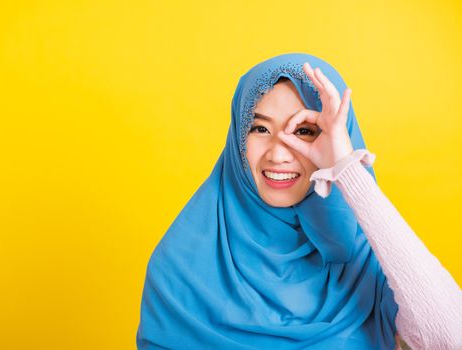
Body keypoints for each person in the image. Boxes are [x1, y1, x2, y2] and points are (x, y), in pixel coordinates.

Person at [136, 53, 462, 349]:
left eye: (304, 131)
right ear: (238, 136)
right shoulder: (180, 266)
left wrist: (346, 167)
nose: (278, 154)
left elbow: (451, 336)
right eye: (260, 128)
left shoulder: (369, 261)